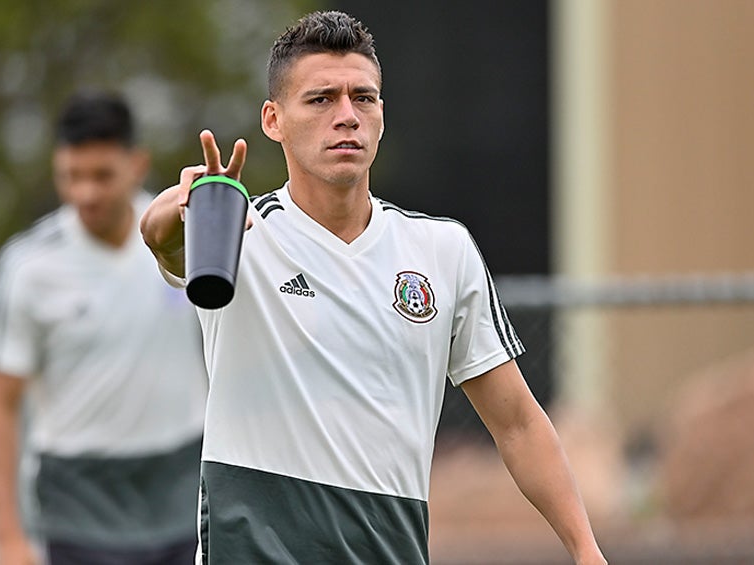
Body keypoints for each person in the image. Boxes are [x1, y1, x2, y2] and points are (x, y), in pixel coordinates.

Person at [140, 10, 607, 565]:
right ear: (273, 119)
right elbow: (162, 239)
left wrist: (585, 550)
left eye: (363, 98)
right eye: (320, 99)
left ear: (382, 113)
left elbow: (519, 424)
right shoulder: (237, 233)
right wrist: (182, 204)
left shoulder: (441, 250)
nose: (346, 116)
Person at [0, 92, 208, 565]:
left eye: (101, 175)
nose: (86, 193)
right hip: (78, 502)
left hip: (184, 490)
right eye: (71, 176)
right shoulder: (28, 267)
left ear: (137, 164)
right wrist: (8, 538)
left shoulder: (187, 236)